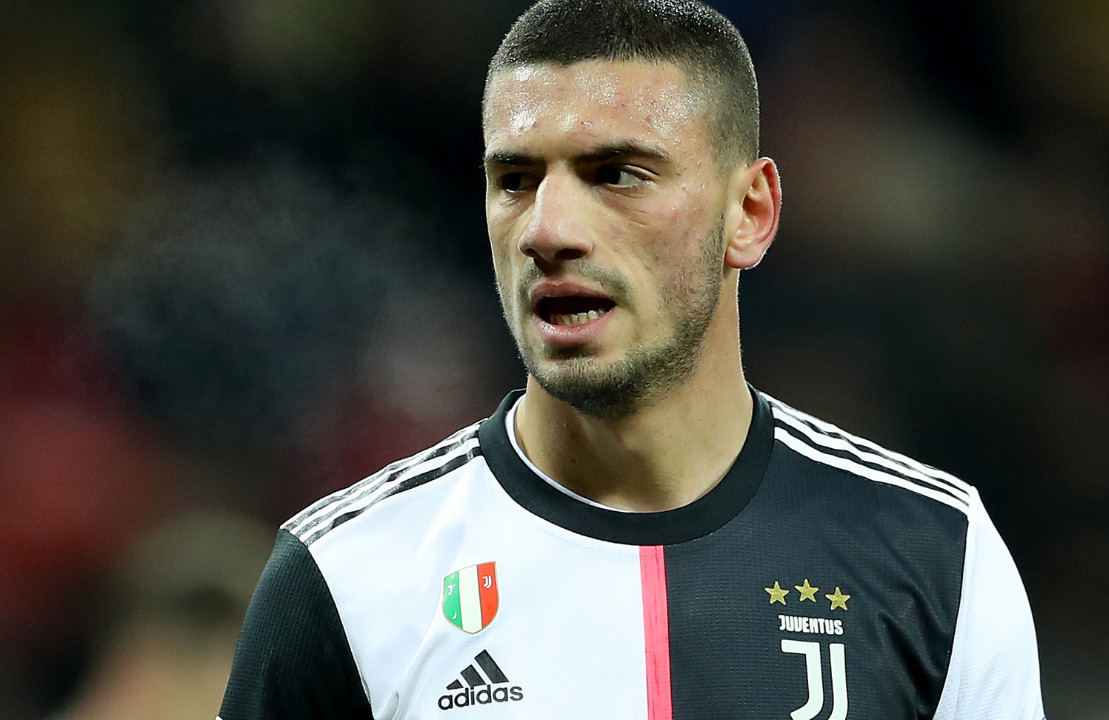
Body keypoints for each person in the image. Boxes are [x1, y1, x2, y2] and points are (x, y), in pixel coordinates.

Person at [219, 1, 1045, 718]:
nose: (547, 230)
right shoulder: (345, 580)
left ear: (749, 212)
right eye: (515, 180)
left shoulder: (935, 555)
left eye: (616, 173)